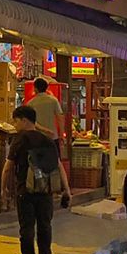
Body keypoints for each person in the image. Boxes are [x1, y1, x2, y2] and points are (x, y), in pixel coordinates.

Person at [1, 105, 59, 254]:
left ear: (24, 120)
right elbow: (58, 166)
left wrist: (3, 188)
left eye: (16, 120)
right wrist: (67, 190)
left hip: (24, 190)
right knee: (44, 224)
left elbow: (8, 167)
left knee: (26, 227)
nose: (14, 124)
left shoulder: (19, 140)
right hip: (45, 190)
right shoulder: (47, 140)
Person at [27, 76, 72, 205]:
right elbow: (60, 117)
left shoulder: (31, 104)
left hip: (36, 139)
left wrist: (41, 129)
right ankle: (56, 189)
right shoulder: (53, 101)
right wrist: (62, 135)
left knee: (37, 164)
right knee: (56, 163)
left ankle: (40, 187)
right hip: (53, 138)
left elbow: (30, 123)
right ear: (46, 88)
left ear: (35, 88)